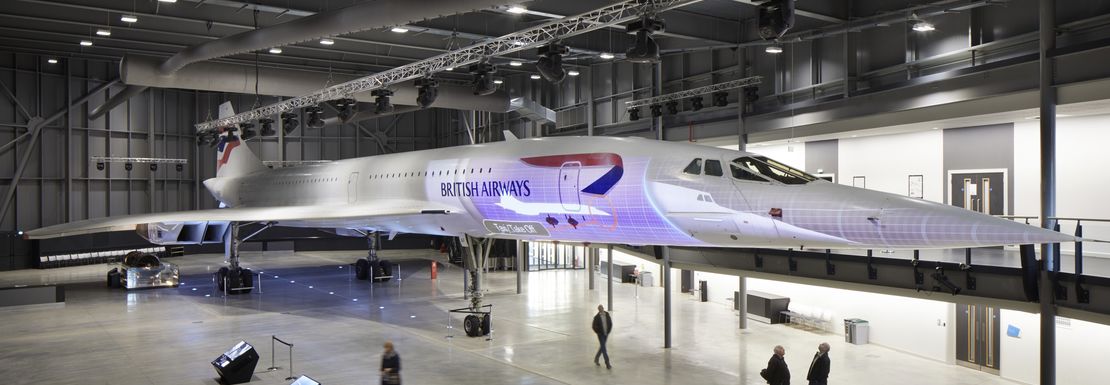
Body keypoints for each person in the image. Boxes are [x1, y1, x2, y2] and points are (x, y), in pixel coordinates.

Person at [592, 304, 612, 369]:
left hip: (606, 334)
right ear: (598, 310)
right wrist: (598, 332)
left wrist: (608, 331)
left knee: (602, 348)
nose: (601, 310)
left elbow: (610, 323)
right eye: (599, 309)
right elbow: (594, 326)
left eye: (602, 308)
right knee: (604, 349)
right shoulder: (596, 317)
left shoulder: (607, 314)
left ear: (603, 308)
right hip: (601, 335)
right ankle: (607, 363)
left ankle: (596, 358)